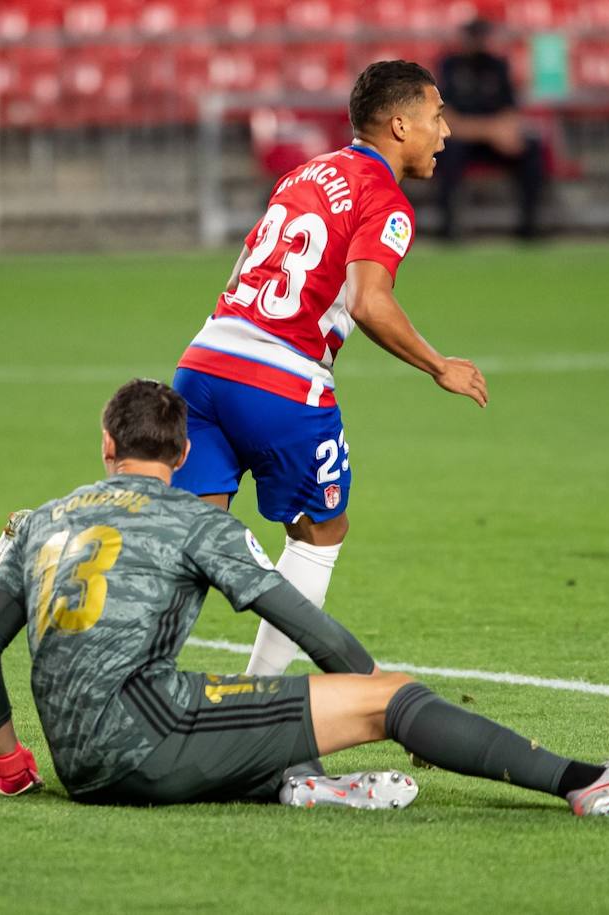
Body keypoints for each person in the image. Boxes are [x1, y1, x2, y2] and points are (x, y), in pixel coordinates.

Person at [0, 378, 609, 815]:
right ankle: (584, 782)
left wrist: (16, 764)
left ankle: (301, 784)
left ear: (107, 447)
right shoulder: (195, 521)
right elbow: (310, 628)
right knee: (387, 695)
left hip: (78, 767)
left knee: (246, 710)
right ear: (183, 455)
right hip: (148, 740)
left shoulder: (42, 517)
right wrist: (377, 699)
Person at [171, 61, 488, 681]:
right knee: (320, 535)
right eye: (437, 116)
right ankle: (254, 698)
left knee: (190, 541)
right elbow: (369, 300)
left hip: (204, 362)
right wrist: (437, 365)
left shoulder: (305, 171)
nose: (445, 132)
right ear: (401, 125)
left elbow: (241, 270)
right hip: (280, 380)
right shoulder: (386, 199)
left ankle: (135, 688)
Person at [434, 18, 547, 240]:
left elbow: (511, 112)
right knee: (447, 151)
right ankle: (448, 228)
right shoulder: (449, 66)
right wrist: (490, 131)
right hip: (463, 138)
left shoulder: (498, 66)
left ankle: (529, 226)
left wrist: (503, 132)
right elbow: (447, 118)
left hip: (494, 141)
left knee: (530, 149)